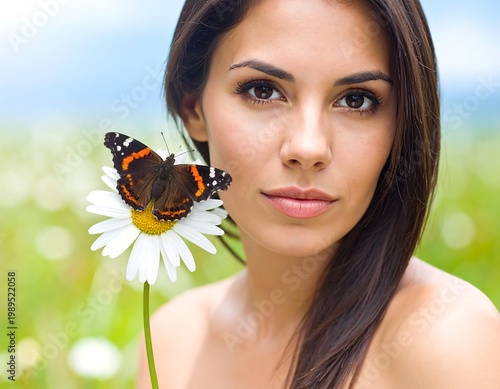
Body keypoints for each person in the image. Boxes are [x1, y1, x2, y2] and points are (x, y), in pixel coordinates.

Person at [137, 0, 500, 387]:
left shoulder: (449, 339)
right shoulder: (170, 340)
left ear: (402, 124)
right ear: (193, 109)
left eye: (355, 100)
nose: (308, 148)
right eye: (263, 90)